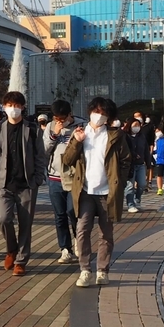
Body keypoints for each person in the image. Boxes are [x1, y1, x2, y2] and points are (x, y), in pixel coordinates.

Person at [62, 97, 131, 288]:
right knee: (82, 230)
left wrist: (120, 182)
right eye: (96, 111)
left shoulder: (115, 136)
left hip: (107, 192)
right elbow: (67, 160)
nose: (99, 116)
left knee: (106, 233)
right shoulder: (80, 133)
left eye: (104, 113)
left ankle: (102, 270)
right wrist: (76, 142)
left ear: (109, 117)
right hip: (85, 191)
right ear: (90, 111)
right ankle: (85, 270)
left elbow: (126, 160)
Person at [0, 91, 45, 276]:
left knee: (25, 224)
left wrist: (37, 179)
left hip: (26, 184)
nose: (14, 109)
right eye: (10, 105)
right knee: (3, 218)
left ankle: (21, 260)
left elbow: (40, 156)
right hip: (5, 183)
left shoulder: (32, 129)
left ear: (23, 107)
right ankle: (11, 249)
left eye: (17, 105)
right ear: (4, 107)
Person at [43, 100, 77, 264]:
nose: (60, 121)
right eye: (57, 118)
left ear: (70, 114)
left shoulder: (81, 125)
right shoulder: (50, 126)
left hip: (74, 177)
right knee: (60, 215)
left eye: (62, 118)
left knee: (74, 211)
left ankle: (79, 241)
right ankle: (65, 249)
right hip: (55, 177)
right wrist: (54, 134)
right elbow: (43, 150)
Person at [124, 117, 148, 213]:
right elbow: (125, 149)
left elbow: (145, 149)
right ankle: (130, 204)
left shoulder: (141, 136)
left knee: (142, 184)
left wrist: (148, 161)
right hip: (130, 165)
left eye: (138, 125)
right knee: (130, 186)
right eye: (134, 125)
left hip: (141, 164)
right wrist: (133, 155)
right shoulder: (125, 136)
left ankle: (137, 199)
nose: (136, 128)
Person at [152, 128, 164, 195]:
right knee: (159, 175)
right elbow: (157, 150)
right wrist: (153, 152)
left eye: (158, 131)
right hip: (159, 161)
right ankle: (159, 189)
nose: (157, 132)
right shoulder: (157, 140)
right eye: (156, 131)